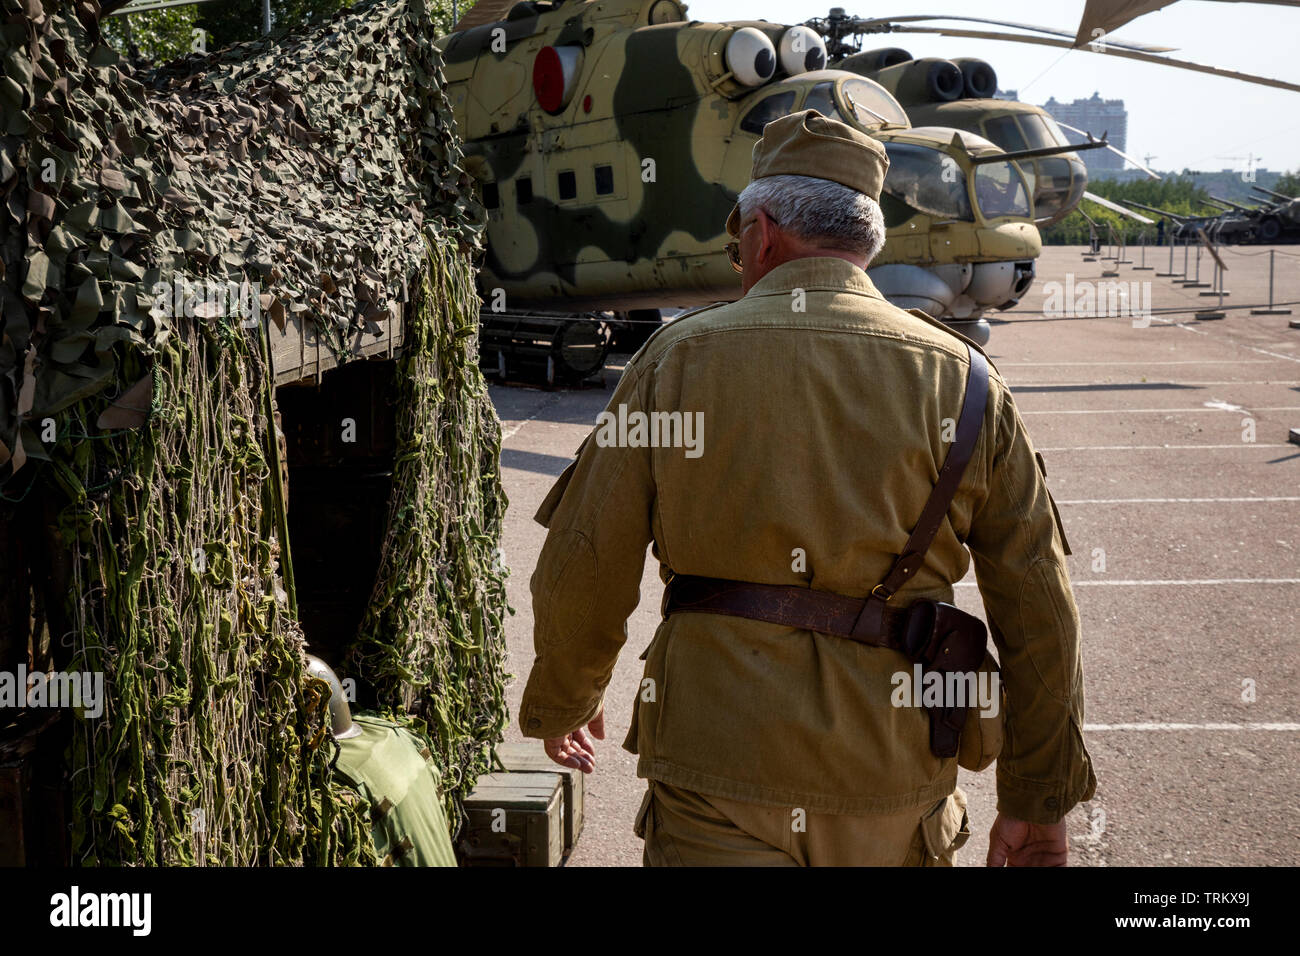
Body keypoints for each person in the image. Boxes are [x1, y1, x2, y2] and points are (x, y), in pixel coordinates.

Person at [518, 110, 1095, 866]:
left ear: (761, 234)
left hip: (716, 766)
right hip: (892, 776)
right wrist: (1037, 799)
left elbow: (588, 556)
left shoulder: (675, 360)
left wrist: (566, 697)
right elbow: (1039, 603)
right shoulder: (969, 380)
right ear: (868, 242)